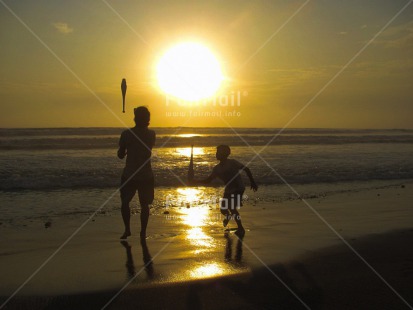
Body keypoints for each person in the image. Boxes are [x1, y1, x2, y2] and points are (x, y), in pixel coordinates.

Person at [194, 145, 258, 237]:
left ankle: (240, 228)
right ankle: (228, 216)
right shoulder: (217, 169)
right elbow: (208, 180)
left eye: (218, 152)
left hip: (238, 188)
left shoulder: (232, 163)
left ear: (224, 154)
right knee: (223, 209)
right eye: (216, 152)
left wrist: (252, 182)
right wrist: (196, 181)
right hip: (229, 189)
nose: (216, 154)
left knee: (232, 208)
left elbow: (246, 169)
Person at [118, 106, 156, 239]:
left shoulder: (126, 134)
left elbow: (121, 155)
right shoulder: (152, 134)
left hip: (130, 174)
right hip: (146, 174)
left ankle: (127, 229)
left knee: (125, 202)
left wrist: (124, 149)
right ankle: (143, 231)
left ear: (135, 118)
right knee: (144, 205)